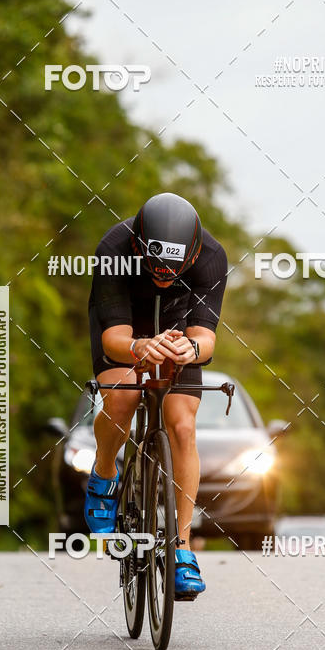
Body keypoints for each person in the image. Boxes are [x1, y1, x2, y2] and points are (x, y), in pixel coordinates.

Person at [86, 192, 227, 599]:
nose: (164, 274)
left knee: (182, 426)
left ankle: (181, 548)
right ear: (137, 246)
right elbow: (113, 337)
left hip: (178, 328)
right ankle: (105, 472)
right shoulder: (113, 248)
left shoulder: (212, 257)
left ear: (194, 253)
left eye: (174, 268)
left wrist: (192, 350)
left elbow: (206, 337)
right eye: (156, 267)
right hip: (125, 329)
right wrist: (137, 349)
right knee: (125, 396)